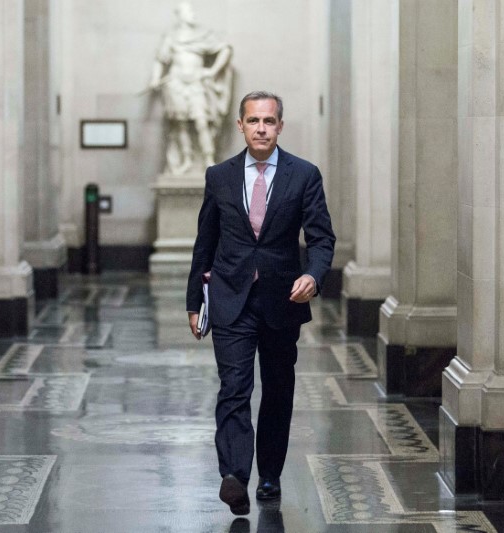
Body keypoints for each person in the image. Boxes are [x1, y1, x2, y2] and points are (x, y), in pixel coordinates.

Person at [186, 91, 336, 515]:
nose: (261, 128)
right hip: (230, 298)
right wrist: (194, 299)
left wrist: (313, 274)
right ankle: (234, 475)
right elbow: (205, 242)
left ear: (280, 127)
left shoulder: (304, 175)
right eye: (253, 121)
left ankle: (269, 473)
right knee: (234, 387)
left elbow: (322, 238)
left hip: (281, 300)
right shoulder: (219, 176)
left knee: (277, 389)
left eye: (269, 121)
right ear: (240, 125)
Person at [149, 2, 232, 175]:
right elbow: (161, 59)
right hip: (176, 84)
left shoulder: (202, 35)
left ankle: (209, 159)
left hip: (196, 84)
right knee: (181, 124)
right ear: (180, 15)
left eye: (193, 11)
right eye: (189, 11)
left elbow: (225, 49)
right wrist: (155, 78)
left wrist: (212, 71)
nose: (193, 14)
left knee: (201, 121)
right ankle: (187, 160)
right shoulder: (171, 37)